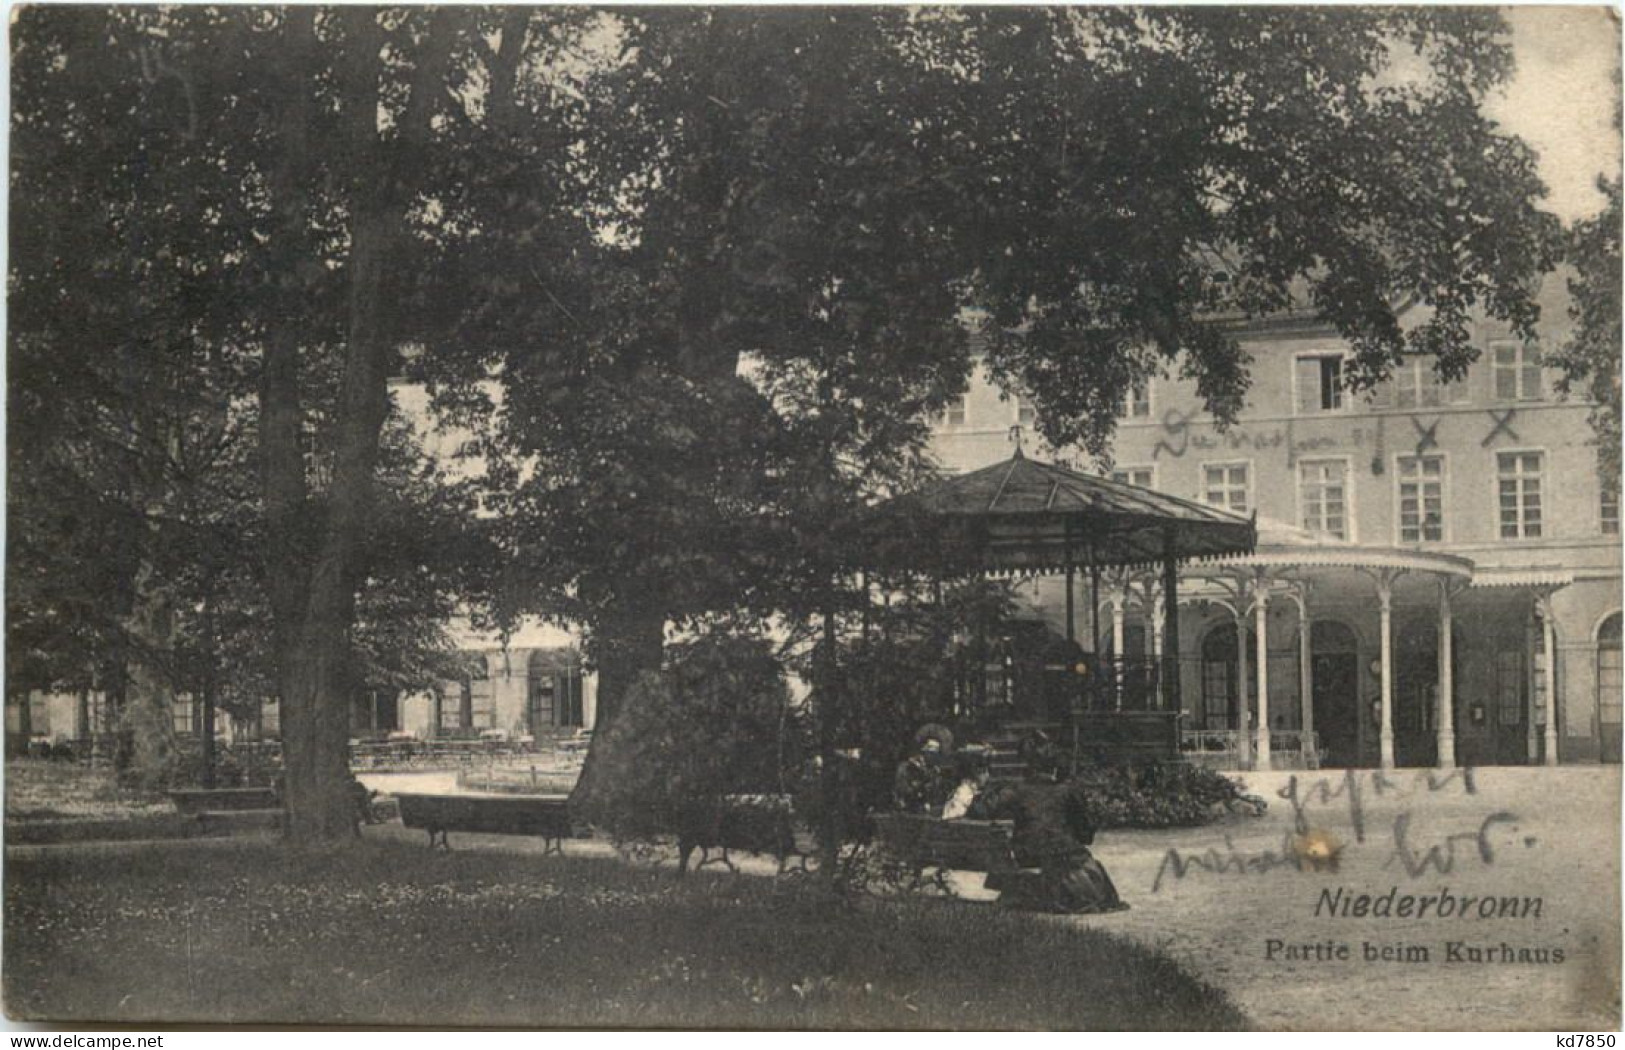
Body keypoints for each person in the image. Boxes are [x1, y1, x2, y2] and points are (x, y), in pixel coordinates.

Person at [979, 775, 1128, 914]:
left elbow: (984, 809)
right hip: (1062, 854)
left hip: (1027, 854)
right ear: (1055, 771)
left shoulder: (1017, 790)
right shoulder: (1067, 791)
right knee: (1084, 865)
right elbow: (1086, 835)